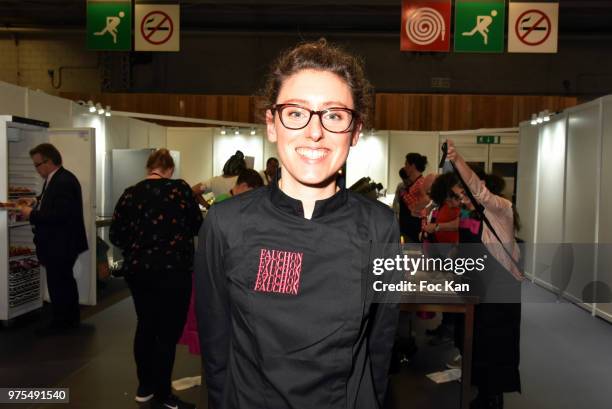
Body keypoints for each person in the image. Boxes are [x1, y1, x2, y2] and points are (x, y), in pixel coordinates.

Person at [195, 39, 400, 409]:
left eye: (334, 115)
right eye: (296, 113)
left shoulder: (380, 228)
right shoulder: (226, 225)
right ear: (272, 124)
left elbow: (380, 347)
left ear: (355, 131)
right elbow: (216, 346)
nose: (314, 132)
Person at [110, 149, 203, 409]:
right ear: (170, 169)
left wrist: (139, 243)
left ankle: (144, 387)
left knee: (146, 326)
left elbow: (116, 236)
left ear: (148, 168)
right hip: (174, 271)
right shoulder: (180, 190)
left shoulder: (130, 193)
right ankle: (164, 394)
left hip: (139, 272)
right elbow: (197, 225)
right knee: (167, 333)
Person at [446, 140, 522, 409]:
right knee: (475, 341)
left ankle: (493, 398)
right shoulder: (471, 214)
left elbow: (478, 191)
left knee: (496, 344)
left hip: (501, 290)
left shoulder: (500, 208)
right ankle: (482, 390)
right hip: (479, 287)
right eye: (459, 196)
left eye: (465, 195)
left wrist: (456, 160)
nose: (462, 200)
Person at [17, 143, 87, 331]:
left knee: (59, 284)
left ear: (49, 162)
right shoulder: (58, 178)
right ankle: (70, 320)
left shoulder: (63, 181)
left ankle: (61, 323)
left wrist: (30, 213)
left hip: (60, 244)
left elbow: (60, 215)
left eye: (37, 164)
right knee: (64, 282)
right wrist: (36, 200)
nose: (36, 169)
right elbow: (52, 201)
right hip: (62, 243)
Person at [400, 152, 430, 242]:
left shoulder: (420, 183)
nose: (404, 168)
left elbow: (427, 200)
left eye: (406, 164)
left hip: (414, 231)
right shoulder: (414, 183)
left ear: (412, 166)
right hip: (408, 229)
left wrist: (413, 208)